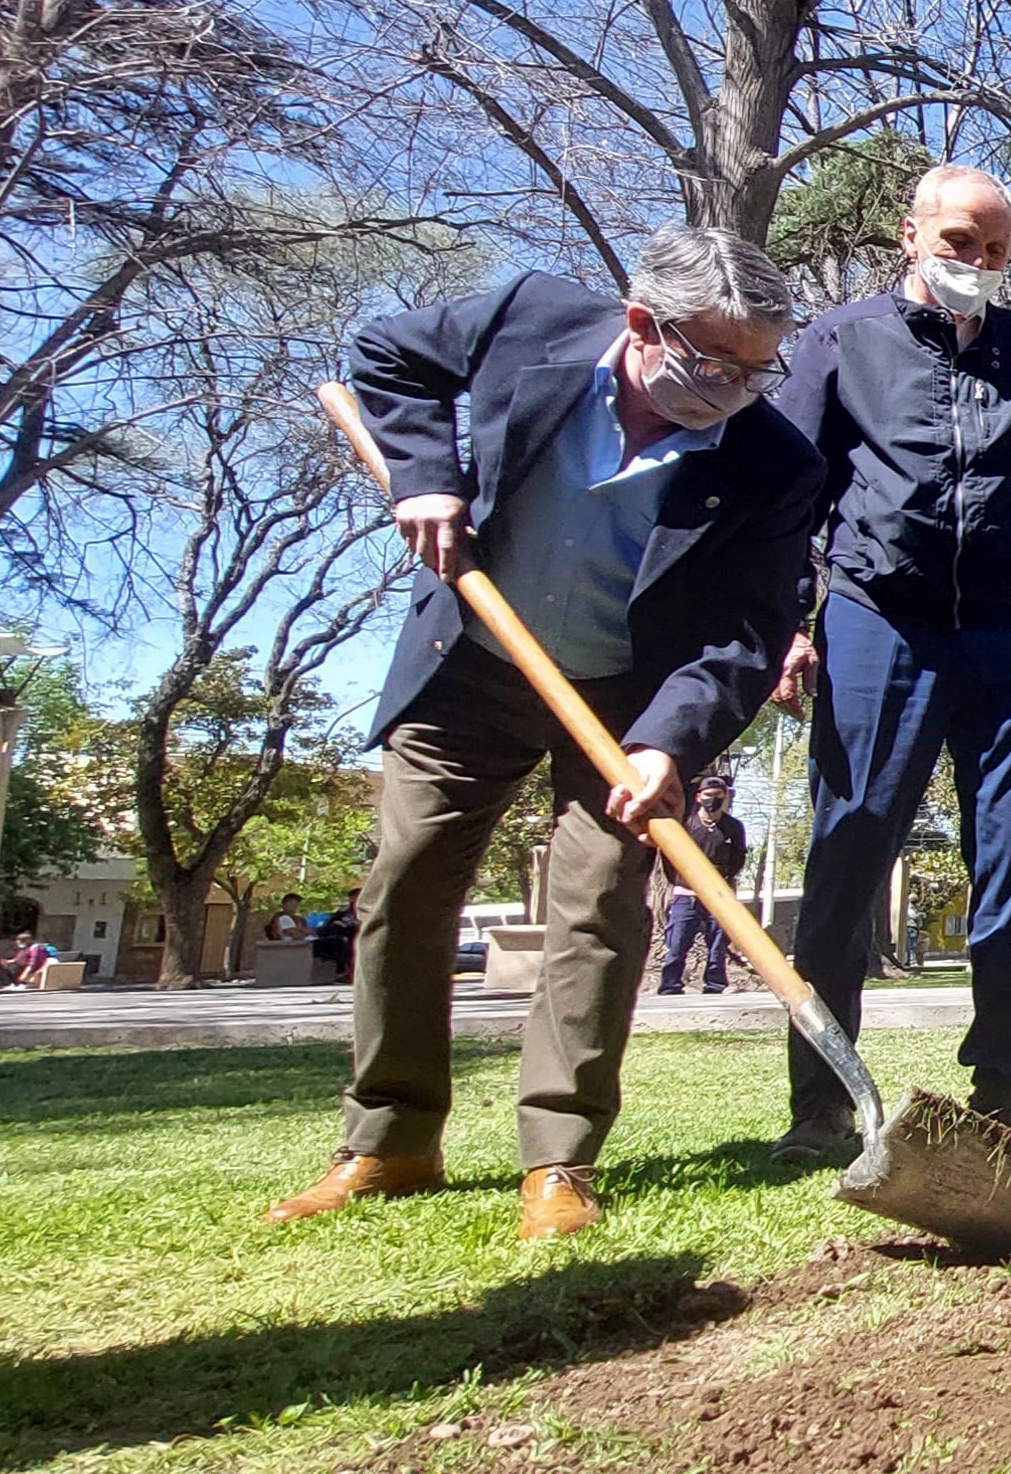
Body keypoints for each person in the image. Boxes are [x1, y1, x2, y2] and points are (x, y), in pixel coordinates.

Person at [265, 232, 821, 1241]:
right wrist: (426, 478)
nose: (737, 390)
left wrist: (670, 742)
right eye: (714, 364)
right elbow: (388, 351)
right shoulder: (528, 318)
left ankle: (558, 1159)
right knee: (409, 878)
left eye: (757, 369)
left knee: (600, 904)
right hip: (474, 659)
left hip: (624, 698)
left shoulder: (774, 463)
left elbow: (746, 628)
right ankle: (388, 1140)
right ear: (640, 325)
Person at [769, 165, 1011, 1158]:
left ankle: (1005, 1086)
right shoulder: (838, 341)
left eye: (997, 250)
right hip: (879, 622)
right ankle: (822, 1102)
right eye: (961, 240)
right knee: (850, 845)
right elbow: (786, 497)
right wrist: (790, 622)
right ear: (912, 235)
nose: (978, 263)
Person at [655, 777, 748, 995]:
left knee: (717, 944)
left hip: (717, 897)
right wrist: (680, 882)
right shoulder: (686, 823)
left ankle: (715, 984)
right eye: (708, 796)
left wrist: (723, 882)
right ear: (699, 797)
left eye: (718, 797)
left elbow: (738, 859)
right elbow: (668, 857)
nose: (712, 801)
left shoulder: (733, 828)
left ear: (725, 798)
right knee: (677, 941)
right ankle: (670, 985)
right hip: (685, 895)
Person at [311, 889, 360, 985]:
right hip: (343, 936)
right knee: (336, 940)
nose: (353, 901)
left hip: (358, 934)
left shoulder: (368, 910)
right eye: (352, 898)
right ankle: (343, 972)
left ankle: (349, 973)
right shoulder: (344, 912)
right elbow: (328, 924)